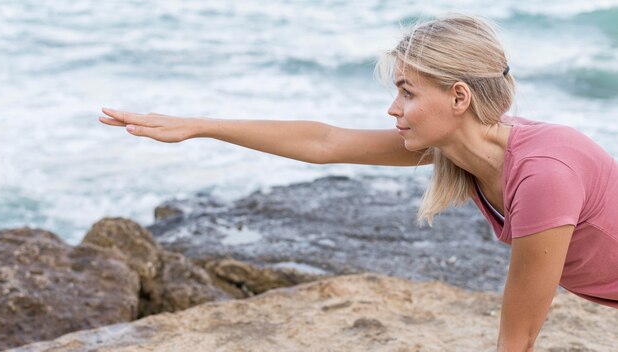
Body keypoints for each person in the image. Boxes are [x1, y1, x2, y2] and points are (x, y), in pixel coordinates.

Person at [99, 14, 618, 352]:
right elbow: (325, 142)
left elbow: (518, 337)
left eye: (407, 93)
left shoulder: (544, 176)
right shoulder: (463, 148)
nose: (394, 108)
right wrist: (201, 126)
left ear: (459, 98)